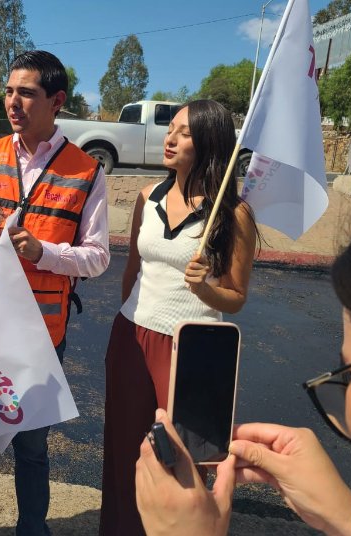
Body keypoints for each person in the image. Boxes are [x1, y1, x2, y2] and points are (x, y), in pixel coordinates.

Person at [135, 201, 351, 536]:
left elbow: (235, 294)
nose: (346, 408)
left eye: (347, 373)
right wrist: (350, 520)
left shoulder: (237, 215)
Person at [0, 49, 110, 535]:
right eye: (9, 91)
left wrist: (45, 253)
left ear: (57, 101)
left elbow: (97, 257)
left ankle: (32, 528)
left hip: (41, 333)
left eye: (27, 93)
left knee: (32, 445)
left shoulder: (86, 171)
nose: (13, 103)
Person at [99, 99, 258, 535]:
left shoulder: (234, 215)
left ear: (209, 141)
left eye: (185, 132)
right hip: (132, 335)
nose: (170, 137)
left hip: (194, 350)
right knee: (126, 452)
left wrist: (205, 288)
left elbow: (236, 297)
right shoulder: (146, 196)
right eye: (172, 128)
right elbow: (133, 268)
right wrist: (128, 317)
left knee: (182, 459)